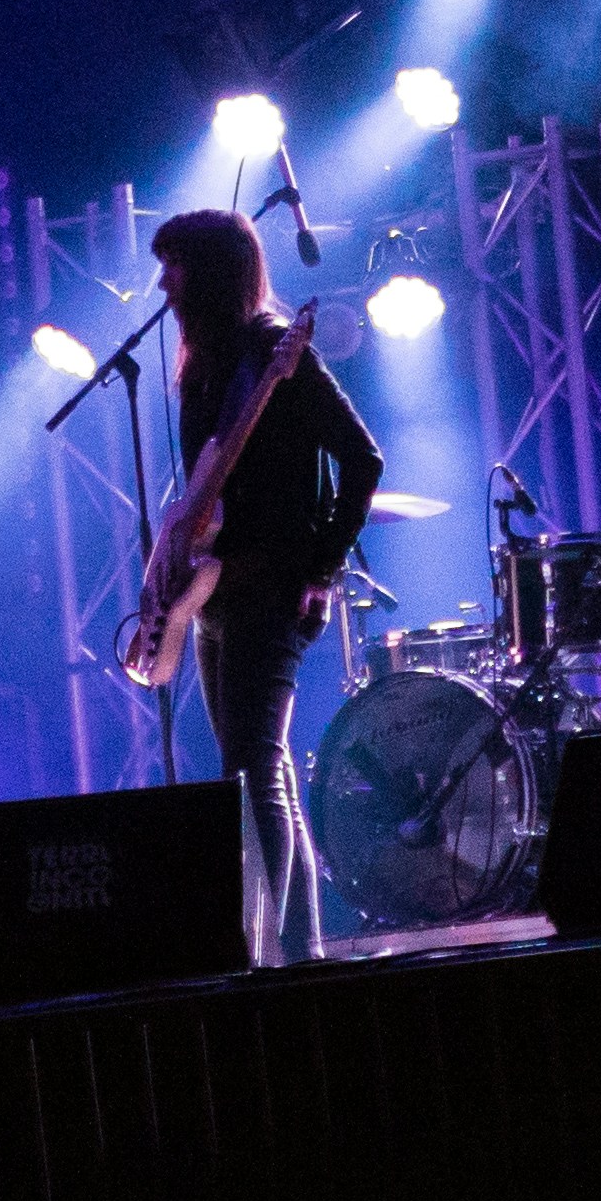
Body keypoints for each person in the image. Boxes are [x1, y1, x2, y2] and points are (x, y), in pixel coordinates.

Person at [151, 204, 383, 961]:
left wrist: (322, 564)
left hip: (273, 586)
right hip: (215, 591)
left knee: (250, 769)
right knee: (261, 766)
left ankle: (263, 961)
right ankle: (305, 949)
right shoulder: (210, 362)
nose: (164, 283)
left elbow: (363, 458)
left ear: (210, 273)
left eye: (175, 266)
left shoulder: (275, 351)